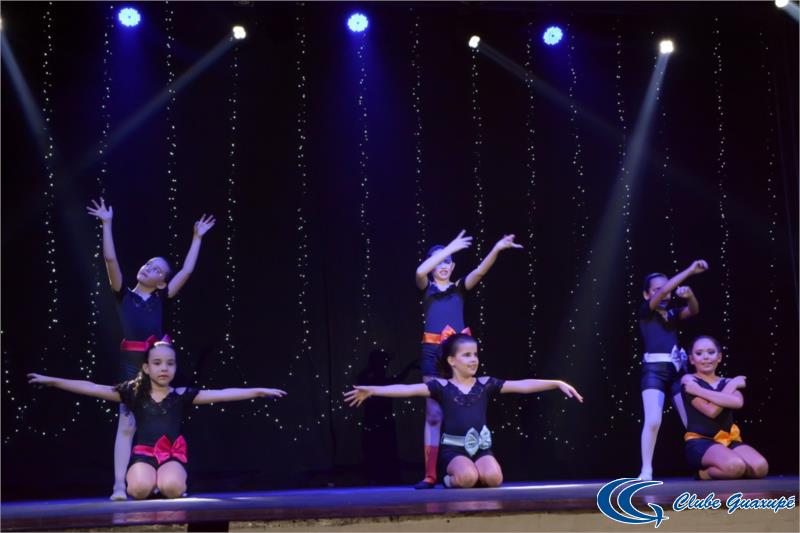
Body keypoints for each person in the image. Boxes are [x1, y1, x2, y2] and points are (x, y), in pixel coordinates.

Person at [28, 340, 286, 499]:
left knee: (172, 489)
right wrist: (52, 381)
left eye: (170, 363)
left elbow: (221, 394)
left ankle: (167, 482)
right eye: (158, 363)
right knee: (139, 490)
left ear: (175, 367)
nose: (164, 368)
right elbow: (92, 387)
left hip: (171, 455)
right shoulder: (133, 393)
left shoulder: (181, 396)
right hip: (143, 455)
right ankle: (149, 483)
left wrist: (258, 391)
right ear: (146, 368)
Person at [86, 197, 215, 499]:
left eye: (156, 269)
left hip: (158, 363)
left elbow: (186, 272)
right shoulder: (123, 294)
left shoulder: (161, 298)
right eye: (147, 264)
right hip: (132, 364)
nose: (148, 268)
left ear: (161, 282)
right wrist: (107, 223)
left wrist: (197, 238)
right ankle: (119, 484)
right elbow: (110, 261)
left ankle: (165, 473)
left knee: (163, 419)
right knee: (127, 423)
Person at [345, 333, 582, 488]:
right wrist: (372, 390)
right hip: (454, 450)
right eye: (467, 355)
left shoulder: (485, 384)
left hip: (482, 447)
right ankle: (450, 479)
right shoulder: (441, 387)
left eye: (475, 355)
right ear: (451, 360)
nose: (473, 359)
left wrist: (555, 383)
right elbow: (406, 390)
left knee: (494, 479)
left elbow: (522, 385)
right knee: (467, 478)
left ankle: (476, 471)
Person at [413, 230, 522, 488]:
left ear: (453, 267)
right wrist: (449, 248)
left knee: (465, 408)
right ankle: (430, 474)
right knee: (433, 414)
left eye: (448, 262)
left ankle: (471, 465)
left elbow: (480, 271)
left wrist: (496, 248)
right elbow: (419, 271)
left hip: (459, 354)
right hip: (432, 352)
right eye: (439, 261)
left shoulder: (459, 288)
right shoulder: (427, 288)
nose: (443, 266)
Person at [638, 260, 707, 481]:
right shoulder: (647, 312)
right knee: (653, 420)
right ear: (647, 295)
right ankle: (646, 469)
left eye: (667, 288)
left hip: (678, 372)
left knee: (691, 422)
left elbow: (694, 310)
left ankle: (706, 464)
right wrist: (690, 271)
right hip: (654, 372)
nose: (664, 292)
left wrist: (690, 295)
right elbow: (665, 290)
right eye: (657, 289)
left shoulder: (673, 314)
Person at [680, 335, 767, 480]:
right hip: (701, 442)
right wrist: (732, 384)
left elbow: (738, 403)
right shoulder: (690, 381)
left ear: (719, 357)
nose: (705, 357)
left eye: (711, 352)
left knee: (760, 468)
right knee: (735, 466)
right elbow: (712, 411)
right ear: (691, 359)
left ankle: (729, 468)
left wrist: (700, 391)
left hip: (729, 440)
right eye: (699, 353)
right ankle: (704, 474)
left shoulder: (726, 382)